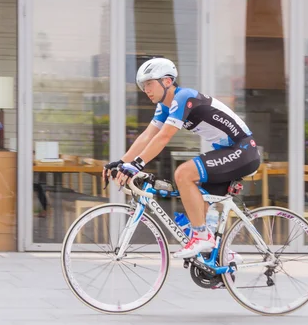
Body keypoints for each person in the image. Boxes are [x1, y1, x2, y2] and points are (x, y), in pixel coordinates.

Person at [103, 57, 261, 259]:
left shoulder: (184, 97)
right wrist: (122, 163)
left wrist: (136, 165)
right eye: (143, 86)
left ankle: (203, 238)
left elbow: (164, 136)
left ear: (167, 81)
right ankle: (221, 258)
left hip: (243, 151)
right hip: (227, 152)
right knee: (195, 210)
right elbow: (147, 136)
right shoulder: (165, 106)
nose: (146, 90)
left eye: (149, 83)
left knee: (183, 173)